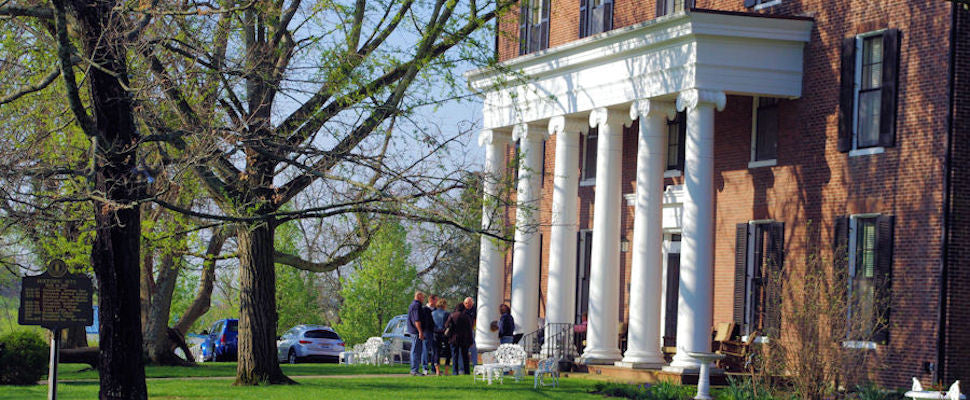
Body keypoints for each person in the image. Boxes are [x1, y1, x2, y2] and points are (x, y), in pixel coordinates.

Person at [445, 303, 472, 375]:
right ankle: (467, 371)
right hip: (465, 339)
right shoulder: (467, 317)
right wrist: (471, 341)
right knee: (465, 356)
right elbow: (470, 330)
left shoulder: (452, 315)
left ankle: (455, 371)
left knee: (455, 356)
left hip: (454, 338)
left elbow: (446, 325)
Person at [407, 291, 426, 376]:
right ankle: (414, 370)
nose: (423, 299)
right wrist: (420, 332)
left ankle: (415, 369)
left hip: (415, 331)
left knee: (417, 350)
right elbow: (416, 320)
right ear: (418, 296)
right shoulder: (416, 306)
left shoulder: (414, 305)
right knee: (416, 350)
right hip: (415, 331)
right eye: (423, 297)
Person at [432, 298, 450, 375]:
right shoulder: (447, 314)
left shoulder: (432, 313)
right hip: (444, 334)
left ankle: (437, 371)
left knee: (436, 352)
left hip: (435, 334)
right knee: (448, 352)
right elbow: (449, 324)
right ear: (444, 305)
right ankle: (446, 371)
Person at [421, 294, 437, 374]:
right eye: (435, 300)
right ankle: (425, 367)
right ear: (431, 300)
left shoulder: (436, 310)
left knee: (435, 351)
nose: (436, 302)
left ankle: (434, 368)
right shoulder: (424, 310)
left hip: (435, 332)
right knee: (425, 350)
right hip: (427, 332)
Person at [462, 296, 477, 367]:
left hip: (470, 330)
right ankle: (463, 366)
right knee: (463, 349)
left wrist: (472, 328)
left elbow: (475, 319)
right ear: (464, 303)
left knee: (473, 348)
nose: (469, 305)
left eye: (471, 304)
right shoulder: (462, 309)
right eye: (467, 304)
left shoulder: (474, 309)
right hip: (463, 331)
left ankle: (475, 365)